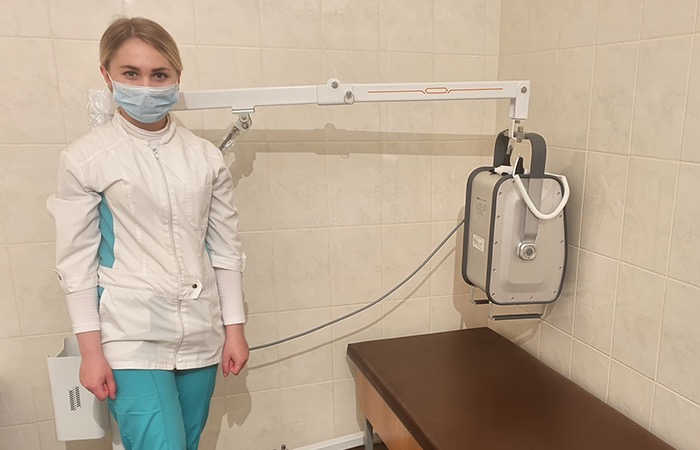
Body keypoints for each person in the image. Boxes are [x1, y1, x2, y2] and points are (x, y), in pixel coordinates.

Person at [47, 17, 249, 450]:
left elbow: (226, 249)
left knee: (187, 444)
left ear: (177, 76)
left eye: (159, 74)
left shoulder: (204, 157)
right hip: (130, 334)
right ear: (107, 76)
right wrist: (90, 352)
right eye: (131, 73)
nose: (146, 86)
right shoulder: (86, 158)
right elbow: (76, 264)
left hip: (200, 330)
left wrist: (234, 329)